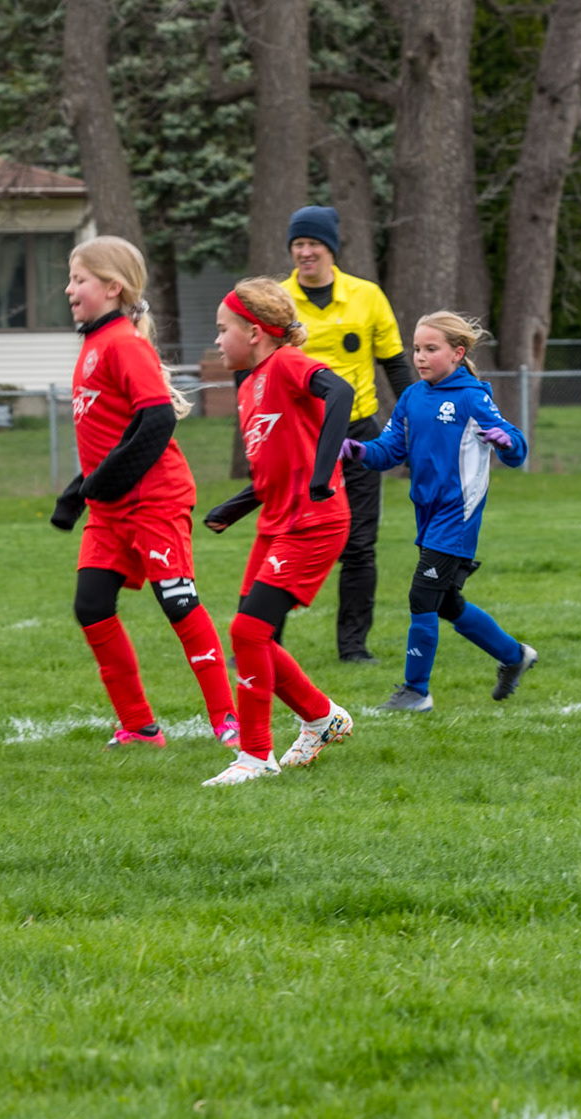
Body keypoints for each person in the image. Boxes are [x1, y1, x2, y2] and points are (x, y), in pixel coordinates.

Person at [49, 236, 239, 749]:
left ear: (112, 288)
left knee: (177, 602)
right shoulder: (94, 342)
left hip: (155, 500)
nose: (69, 288)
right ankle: (140, 726)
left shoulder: (122, 343)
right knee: (91, 606)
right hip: (112, 509)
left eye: (79, 279)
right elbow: (111, 437)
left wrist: (101, 483)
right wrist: (78, 493)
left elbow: (155, 421)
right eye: (71, 279)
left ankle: (228, 722)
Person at [199, 279, 357, 787]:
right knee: (252, 634)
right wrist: (236, 506)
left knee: (248, 632)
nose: (218, 340)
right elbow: (273, 468)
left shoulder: (286, 363)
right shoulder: (248, 386)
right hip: (276, 523)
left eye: (223, 330)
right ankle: (321, 717)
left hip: (314, 522)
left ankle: (255, 756)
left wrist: (322, 473)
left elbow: (341, 391)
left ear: (255, 330)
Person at [341, 312, 535, 711]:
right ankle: (515, 656)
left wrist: (506, 441)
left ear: (457, 353)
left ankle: (416, 691)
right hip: (426, 516)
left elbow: (516, 448)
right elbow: (390, 449)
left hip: (457, 517)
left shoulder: (472, 396)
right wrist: (360, 451)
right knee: (445, 603)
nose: (420, 357)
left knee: (422, 596)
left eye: (431, 349)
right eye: (416, 348)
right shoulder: (413, 397)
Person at [281, 205, 416, 664]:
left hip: (357, 435)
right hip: (298, 435)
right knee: (285, 533)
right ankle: (262, 636)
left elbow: (395, 362)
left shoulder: (367, 296)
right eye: (298, 245)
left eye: (312, 244)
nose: (304, 252)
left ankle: (353, 647)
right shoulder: (276, 301)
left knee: (359, 542)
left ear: (331, 248)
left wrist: (417, 415)